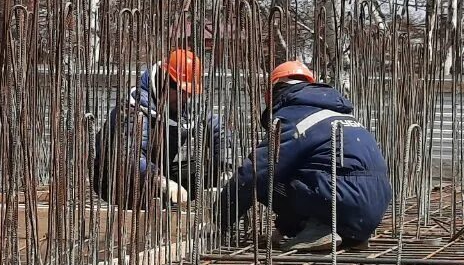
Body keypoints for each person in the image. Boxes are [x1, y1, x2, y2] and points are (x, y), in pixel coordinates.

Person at [216, 61, 392, 252]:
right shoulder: (337, 113)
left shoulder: (294, 115)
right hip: (372, 209)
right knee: (303, 169)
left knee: (266, 177)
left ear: (272, 92)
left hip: (337, 202)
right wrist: (281, 229)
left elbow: (254, 172)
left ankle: (321, 228)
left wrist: (218, 221)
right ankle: (350, 236)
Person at [92, 49, 231, 208]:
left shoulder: (182, 104)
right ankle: (153, 209)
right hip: (119, 181)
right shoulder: (132, 112)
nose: (185, 98)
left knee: (209, 172)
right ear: (165, 81)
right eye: (182, 92)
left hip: (159, 171)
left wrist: (225, 164)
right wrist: (162, 182)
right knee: (155, 193)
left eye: (189, 93)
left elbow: (216, 127)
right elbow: (130, 158)